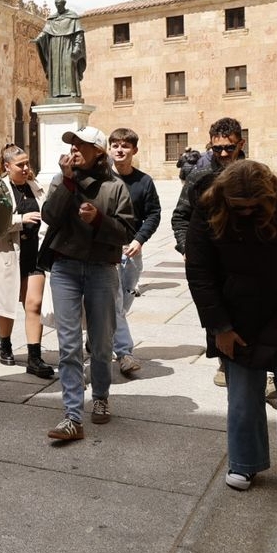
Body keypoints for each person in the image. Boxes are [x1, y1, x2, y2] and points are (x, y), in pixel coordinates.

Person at [185, 160, 277, 502]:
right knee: (244, 389)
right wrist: (220, 326)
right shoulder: (208, 207)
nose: (248, 211)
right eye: (241, 207)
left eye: (255, 206)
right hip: (238, 312)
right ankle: (245, 461)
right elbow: (200, 273)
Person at [41, 127, 135, 442]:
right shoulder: (62, 180)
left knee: (101, 341)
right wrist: (67, 182)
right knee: (68, 344)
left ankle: (102, 396)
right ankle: (71, 415)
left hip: (101, 269)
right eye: (72, 144)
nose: (75, 149)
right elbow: (49, 217)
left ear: (98, 150)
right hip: (65, 267)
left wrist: (98, 219)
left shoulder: (115, 186)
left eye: (82, 145)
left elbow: (124, 233)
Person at [172, 116, 247, 388]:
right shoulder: (199, 176)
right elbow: (180, 217)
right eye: (217, 149)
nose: (224, 154)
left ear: (241, 143)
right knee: (214, 310)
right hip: (211, 262)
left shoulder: (253, 172)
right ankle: (223, 362)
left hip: (247, 261)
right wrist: (187, 248)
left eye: (230, 147)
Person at [0, 144, 53, 379]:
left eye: (27, 163)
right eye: (20, 164)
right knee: (7, 304)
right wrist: (20, 219)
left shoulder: (36, 187)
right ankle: (5, 345)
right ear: (7, 166)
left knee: (34, 304)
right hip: (8, 255)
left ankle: (34, 356)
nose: (26, 168)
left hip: (34, 255)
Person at [108, 128, 162, 375]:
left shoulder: (144, 182)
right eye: (115, 145)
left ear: (134, 150)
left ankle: (102, 335)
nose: (120, 150)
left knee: (125, 300)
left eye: (125, 146)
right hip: (107, 251)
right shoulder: (103, 179)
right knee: (116, 302)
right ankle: (125, 353)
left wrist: (140, 239)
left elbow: (154, 214)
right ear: (109, 149)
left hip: (132, 251)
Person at [33, 0, 86, 99]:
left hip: (67, 45)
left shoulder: (72, 17)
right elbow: (45, 31)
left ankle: (72, 91)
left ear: (64, 4)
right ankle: (55, 92)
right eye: (56, 4)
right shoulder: (52, 19)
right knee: (56, 69)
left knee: (69, 66)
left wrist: (77, 47)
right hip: (55, 46)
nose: (58, 6)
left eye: (60, 4)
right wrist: (38, 39)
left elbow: (79, 33)